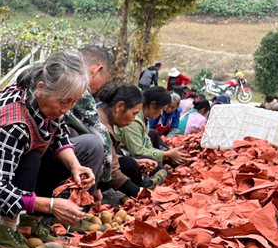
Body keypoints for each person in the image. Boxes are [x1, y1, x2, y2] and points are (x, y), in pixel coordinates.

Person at [0, 50, 102, 248]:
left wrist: (75, 166)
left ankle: (31, 224)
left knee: (75, 148)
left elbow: (60, 135)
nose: (68, 108)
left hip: (8, 157)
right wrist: (51, 206)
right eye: (64, 102)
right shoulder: (14, 122)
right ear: (42, 88)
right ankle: (6, 230)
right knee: (32, 156)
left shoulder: (45, 101)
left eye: (73, 102)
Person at [66, 46, 116, 212]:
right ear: (96, 70)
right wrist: (101, 181)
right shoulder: (76, 84)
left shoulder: (56, 72)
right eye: (103, 81)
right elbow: (101, 137)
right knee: (93, 144)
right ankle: (74, 212)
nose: (99, 88)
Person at [95, 83, 159, 198]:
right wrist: (141, 193)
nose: (133, 118)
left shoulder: (102, 115)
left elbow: (109, 156)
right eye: (134, 113)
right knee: (128, 163)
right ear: (120, 106)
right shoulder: (101, 126)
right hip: (81, 179)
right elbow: (112, 172)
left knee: (130, 161)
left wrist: (137, 161)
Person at [114, 87, 188, 167]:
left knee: (153, 134)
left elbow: (148, 144)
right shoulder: (134, 121)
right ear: (152, 105)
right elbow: (137, 152)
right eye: (161, 109)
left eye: (173, 108)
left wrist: (165, 154)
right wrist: (166, 154)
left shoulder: (146, 119)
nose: (161, 113)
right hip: (124, 152)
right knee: (159, 169)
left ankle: (171, 159)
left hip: (135, 148)